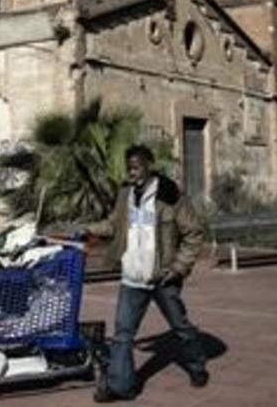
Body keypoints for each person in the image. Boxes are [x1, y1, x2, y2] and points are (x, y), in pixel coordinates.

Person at [84, 144, 208, 402]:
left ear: (149, 166)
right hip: (132, 277)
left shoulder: (169, 195)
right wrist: (88, 229)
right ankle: (121, 387)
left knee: (180, 327)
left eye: (137, 166)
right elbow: (113, 225)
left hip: (163, 277)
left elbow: (193, 232)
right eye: (129, 167)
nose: (133, 172)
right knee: (123, 335)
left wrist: (178, 268)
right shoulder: (125, 194)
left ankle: (197, 366)